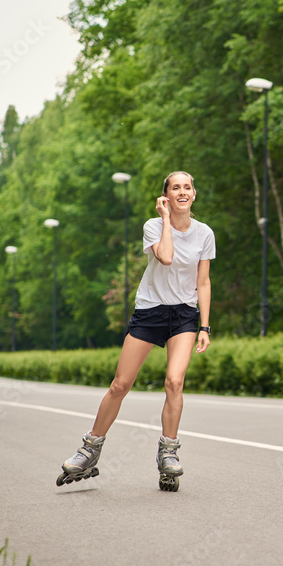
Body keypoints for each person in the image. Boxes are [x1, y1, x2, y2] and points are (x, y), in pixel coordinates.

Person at [57, 171, 216, 491]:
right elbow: (167, 258)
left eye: (187, 188)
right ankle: (89, 450)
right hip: (149, 312)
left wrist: (204, 327)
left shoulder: (205, 233)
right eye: (175, 188)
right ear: (166, 196)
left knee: (174, 381)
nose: (182, 192)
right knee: (120, 384)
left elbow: (203, 282)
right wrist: (166, 219)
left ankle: (168, 454)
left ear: (194, 194)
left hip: (184, 315)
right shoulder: (153, 226)